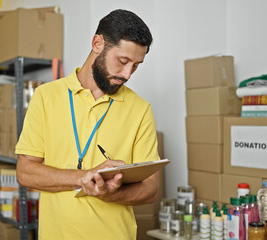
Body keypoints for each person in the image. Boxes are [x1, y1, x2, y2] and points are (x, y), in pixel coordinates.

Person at [15, 9, 160, 240]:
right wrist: (84, 177)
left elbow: (151, 189)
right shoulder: (45, 96)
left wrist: (109, 194)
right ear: (97, 43)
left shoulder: (140, 109)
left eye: (135, 66)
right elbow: (25, 172)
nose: (127, 74)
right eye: (123, 61)